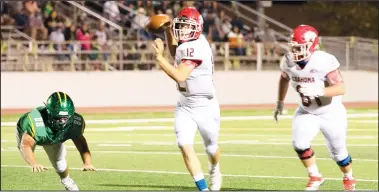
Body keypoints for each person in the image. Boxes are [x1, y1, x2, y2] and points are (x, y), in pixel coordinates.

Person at [273, 24, 356, 191]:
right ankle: (315, 175)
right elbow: (284, 79)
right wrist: (280, 102)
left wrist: (319, 90)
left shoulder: (324, 60)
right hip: (307, 111)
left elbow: (341, 88)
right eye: (293, 47)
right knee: (299, 143)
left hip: (331, 112)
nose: (295, 51)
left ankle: (348, 177)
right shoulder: (288, 61)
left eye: (299, 47)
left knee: (339, 155)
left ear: (312, 45)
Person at [152, 7, 222, 191]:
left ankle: (214, 168)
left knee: (211, 149)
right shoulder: (188, 42)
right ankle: (203, 189)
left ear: (197, 27)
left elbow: (180, 76)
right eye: (180, 26)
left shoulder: (197, 47)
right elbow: (176, 52)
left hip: (206, 106)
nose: (181, 30)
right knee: (184, 144)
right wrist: (168, 30)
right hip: (185, 104)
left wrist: (159, 58)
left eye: (186, 26)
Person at [16, 92, 96, 191]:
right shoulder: (35, 122)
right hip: (31, 132)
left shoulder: (75, 122)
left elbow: (82, 144)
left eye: (65, 118)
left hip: (54, 136)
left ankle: (66, 180)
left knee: (60, 165)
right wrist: (34, 163)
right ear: (49, 112)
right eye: (58, 118)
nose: (62, 121)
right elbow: (26, 145)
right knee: (23, 149)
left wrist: (87, 163)